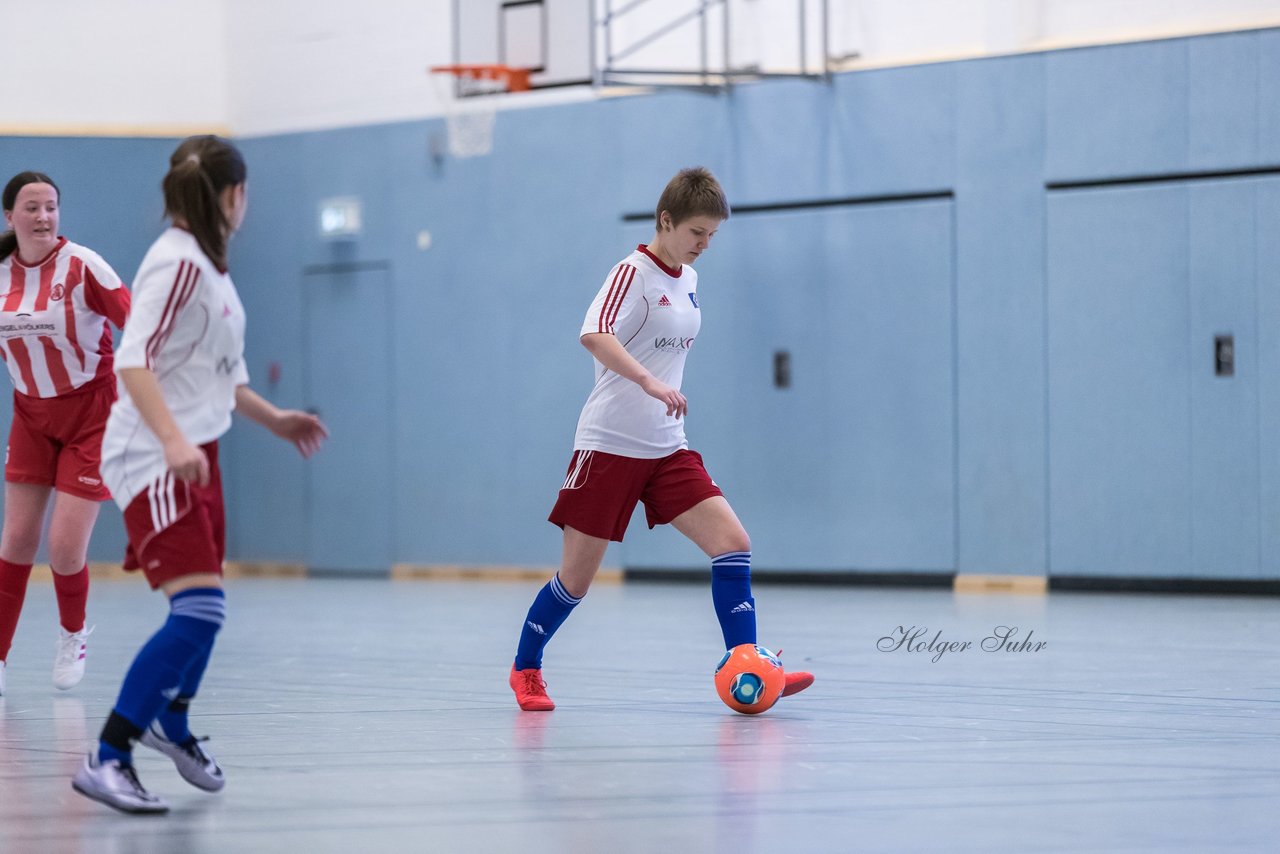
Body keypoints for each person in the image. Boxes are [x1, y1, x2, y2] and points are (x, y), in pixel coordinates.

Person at [71, 136, 328, 814]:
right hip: (154, 455)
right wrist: (172, 439)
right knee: (200, 610)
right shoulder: (175, 265)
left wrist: (276, 419)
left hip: (194, 451)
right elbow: (134, 362)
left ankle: (171, 723)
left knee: (206, 612)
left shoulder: (212, 272)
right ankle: (109, 754)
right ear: (232, 195)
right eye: (247, 193)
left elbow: (223, 378)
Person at [509, 166, 814, 711]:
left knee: (732, 543)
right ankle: (526, 668)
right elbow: (593, 334)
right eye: (697, 233)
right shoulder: (631, 274)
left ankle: (749, 662)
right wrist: (647, 381)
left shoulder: (690, 281)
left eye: (712, 236)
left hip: (667, 446)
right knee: (575, 582)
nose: (704, 245)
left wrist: (660, 390)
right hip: (608, 445)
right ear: (665, 221)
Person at [0, 172, 132, 697]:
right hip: (30, 414)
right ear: (9, 217)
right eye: (30, 208)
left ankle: (72, 635)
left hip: (91, 413)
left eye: (50, 206)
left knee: (63, 545)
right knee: (15, 540)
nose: (42, 217)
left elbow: (139, 323)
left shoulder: (83, 266)